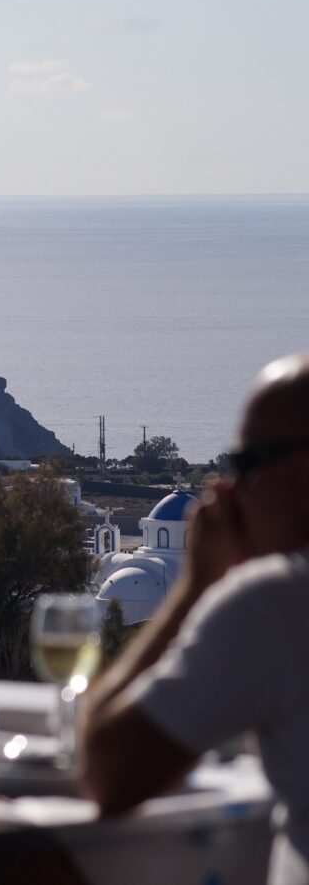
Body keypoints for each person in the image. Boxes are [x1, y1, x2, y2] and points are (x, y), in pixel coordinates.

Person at [82, 352, 309, 885]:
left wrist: (196, 587)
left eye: (250, 463)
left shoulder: (279, 602)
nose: (234, 489)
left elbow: (109, 772)